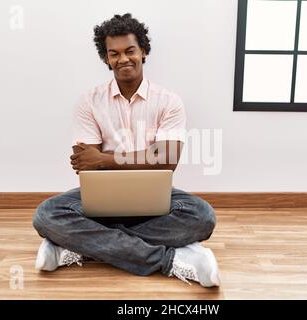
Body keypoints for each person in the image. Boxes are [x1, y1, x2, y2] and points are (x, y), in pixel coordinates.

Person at [32, 13, 220, 287]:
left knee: (201, 217)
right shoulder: (89, 101)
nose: (123, 59)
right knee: (47, 215)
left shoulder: (169, 102)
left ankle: (77, 246)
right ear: (106, 58)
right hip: (102, 198)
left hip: (153, 198)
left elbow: (166, 161)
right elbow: (87, 164)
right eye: (114, 54)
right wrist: (139, 159)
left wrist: (104, 159)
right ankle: (172, 259)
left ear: (143, 51)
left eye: (130, 51)